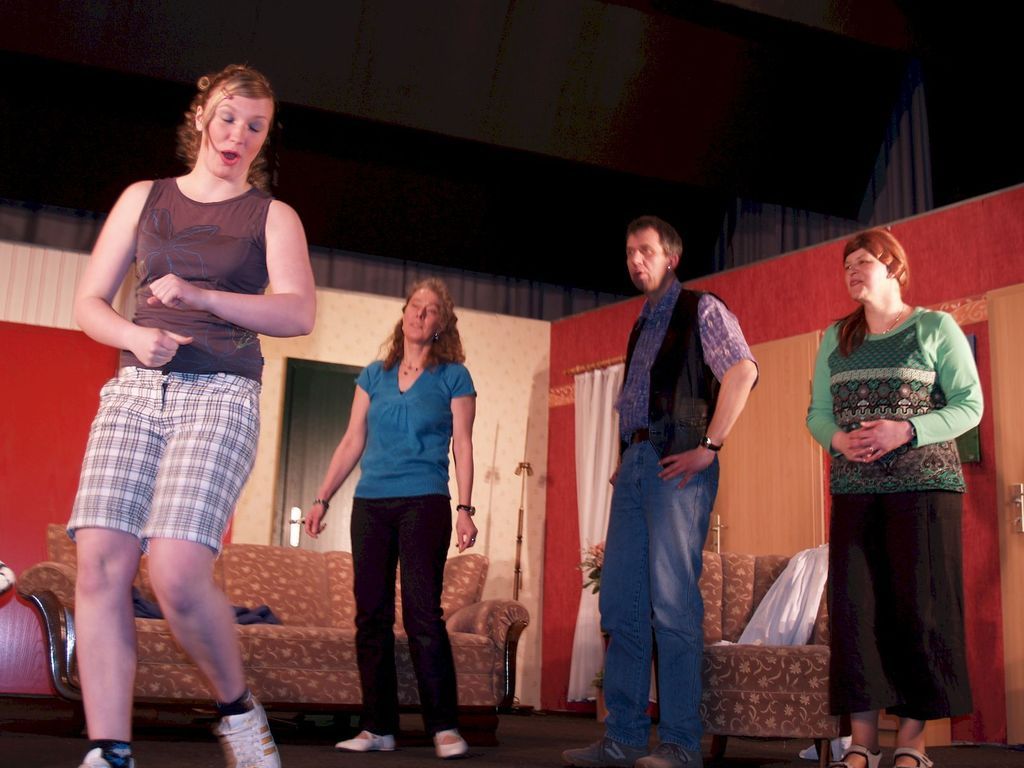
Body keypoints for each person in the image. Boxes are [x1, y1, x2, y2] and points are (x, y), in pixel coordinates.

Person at [67, 64, 316, 768]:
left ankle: (239, 712)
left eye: (256, 126)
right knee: (100, 561)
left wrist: (204, 297)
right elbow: (89, 302)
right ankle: (110, 748)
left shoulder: (272, 216)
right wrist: (132, 335)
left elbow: (298, 312)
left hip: (222, 393)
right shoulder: (143, 198)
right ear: (203, 115)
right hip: (136, 389)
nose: (239, 134)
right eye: (229, 117)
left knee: (175, 570)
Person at [563, 216, 758, 768]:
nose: (635, 260)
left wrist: (710, 445)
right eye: (629, 252)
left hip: (679, 465)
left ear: (672, 257)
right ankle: (622, 738)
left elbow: (742, 371)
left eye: (646, 251)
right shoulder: (641, 323)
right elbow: (638, 403)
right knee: (621, 604)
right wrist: (625, 462)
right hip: (635, 466)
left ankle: (680, 744)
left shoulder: (702, 309)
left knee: (673, 605)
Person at [806, 228, 982, 768]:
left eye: (862, 262)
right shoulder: (835, 338)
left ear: (894, 268)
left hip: (924, 493)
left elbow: (969, 405)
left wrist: (905, 429)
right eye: (846, 266)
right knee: (856, 613)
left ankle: (912, 744)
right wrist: (837, 440)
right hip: (855, 494)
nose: (852, 272)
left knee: (920, 613)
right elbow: (818, 414)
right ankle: (862, 743)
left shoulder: (935, 327)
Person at [303, 277, 478, 760]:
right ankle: (378, 727)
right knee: (370, 615)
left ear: (441, 324)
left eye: (430, 309)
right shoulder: (372, 376)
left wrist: (465, 509)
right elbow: (351, 441)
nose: (420, 314)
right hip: (371, 504)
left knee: (423, 614)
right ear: (403, 315)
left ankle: (444, 727)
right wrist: (321, 498)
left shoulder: (454, 376)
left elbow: (463, 445)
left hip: (425, 501)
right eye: (414, 306)